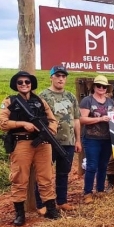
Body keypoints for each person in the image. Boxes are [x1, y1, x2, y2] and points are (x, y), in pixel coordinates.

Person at [0, 71, 61, 225]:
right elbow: (1, 123)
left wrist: (49, 132)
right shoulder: (9, 101)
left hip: (43, 143)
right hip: (22, 143)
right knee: (20, 177)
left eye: (27, 82)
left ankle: (51, 209)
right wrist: (22, 124)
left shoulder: (40, 100)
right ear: (16, 85)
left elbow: (53, 120)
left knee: (46, 177)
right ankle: (20, 213)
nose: (24, 84)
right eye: (20, 82)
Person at [33, 65, 82, 214]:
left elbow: (76, 119)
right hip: (48, 142)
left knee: (63, 173)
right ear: (51, 77)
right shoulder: (43, 96)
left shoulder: (71, 96)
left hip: (68, 142)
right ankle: (41, 203)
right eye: (58, 76)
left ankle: (62, 201)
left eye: (63, 76)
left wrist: (78, 140)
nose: (61, 79)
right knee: (44, 173)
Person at [79, 75, 114, 203]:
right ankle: (87, 192)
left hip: (107, 138)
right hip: (91, 138)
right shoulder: (87, 101)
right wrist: (100, 119)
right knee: (92, 165)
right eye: (99, 86)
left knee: (103, 165)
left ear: (107, 88)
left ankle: (100, 190)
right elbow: (82, 119)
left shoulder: (110, 102)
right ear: (94, 87)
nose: (101, 88)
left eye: (104, 86)